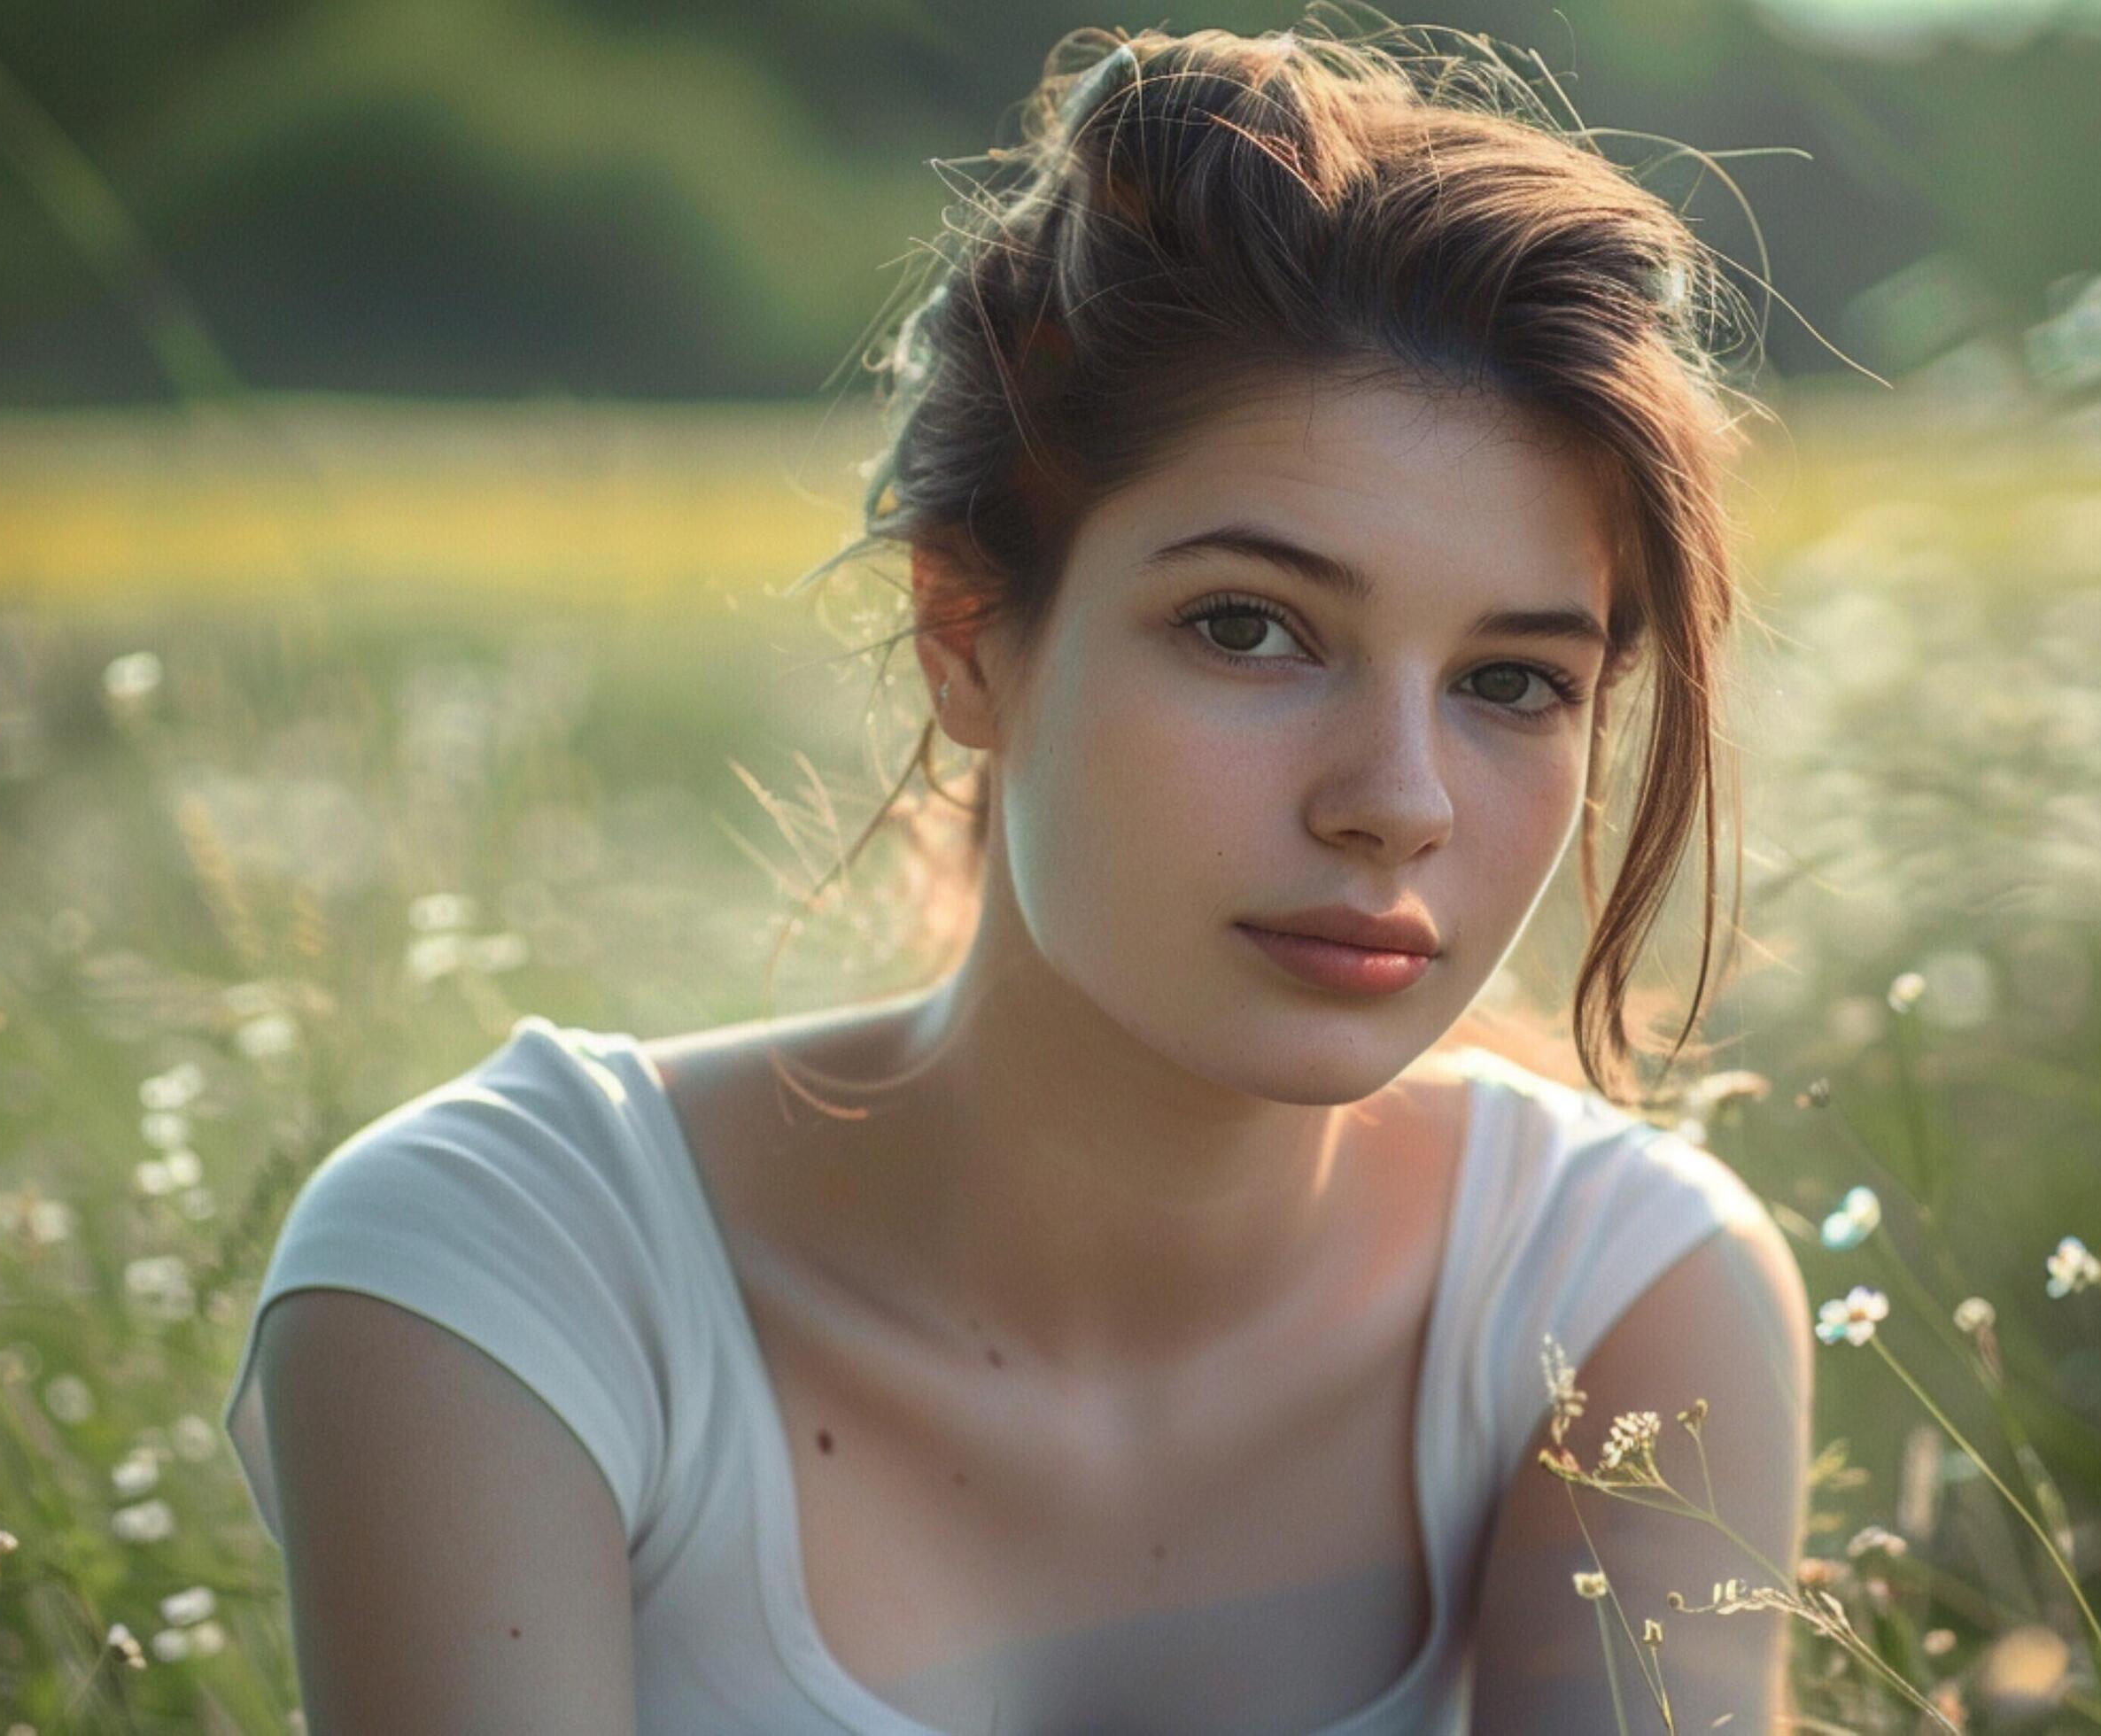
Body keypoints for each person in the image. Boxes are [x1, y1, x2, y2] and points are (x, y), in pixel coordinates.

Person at [221, 12, 1811, 1732]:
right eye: (1252, 628)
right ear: (967, 631)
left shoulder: (1620, 1297)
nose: (1398, 803)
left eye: (1514, 681)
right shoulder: (511, 1269)